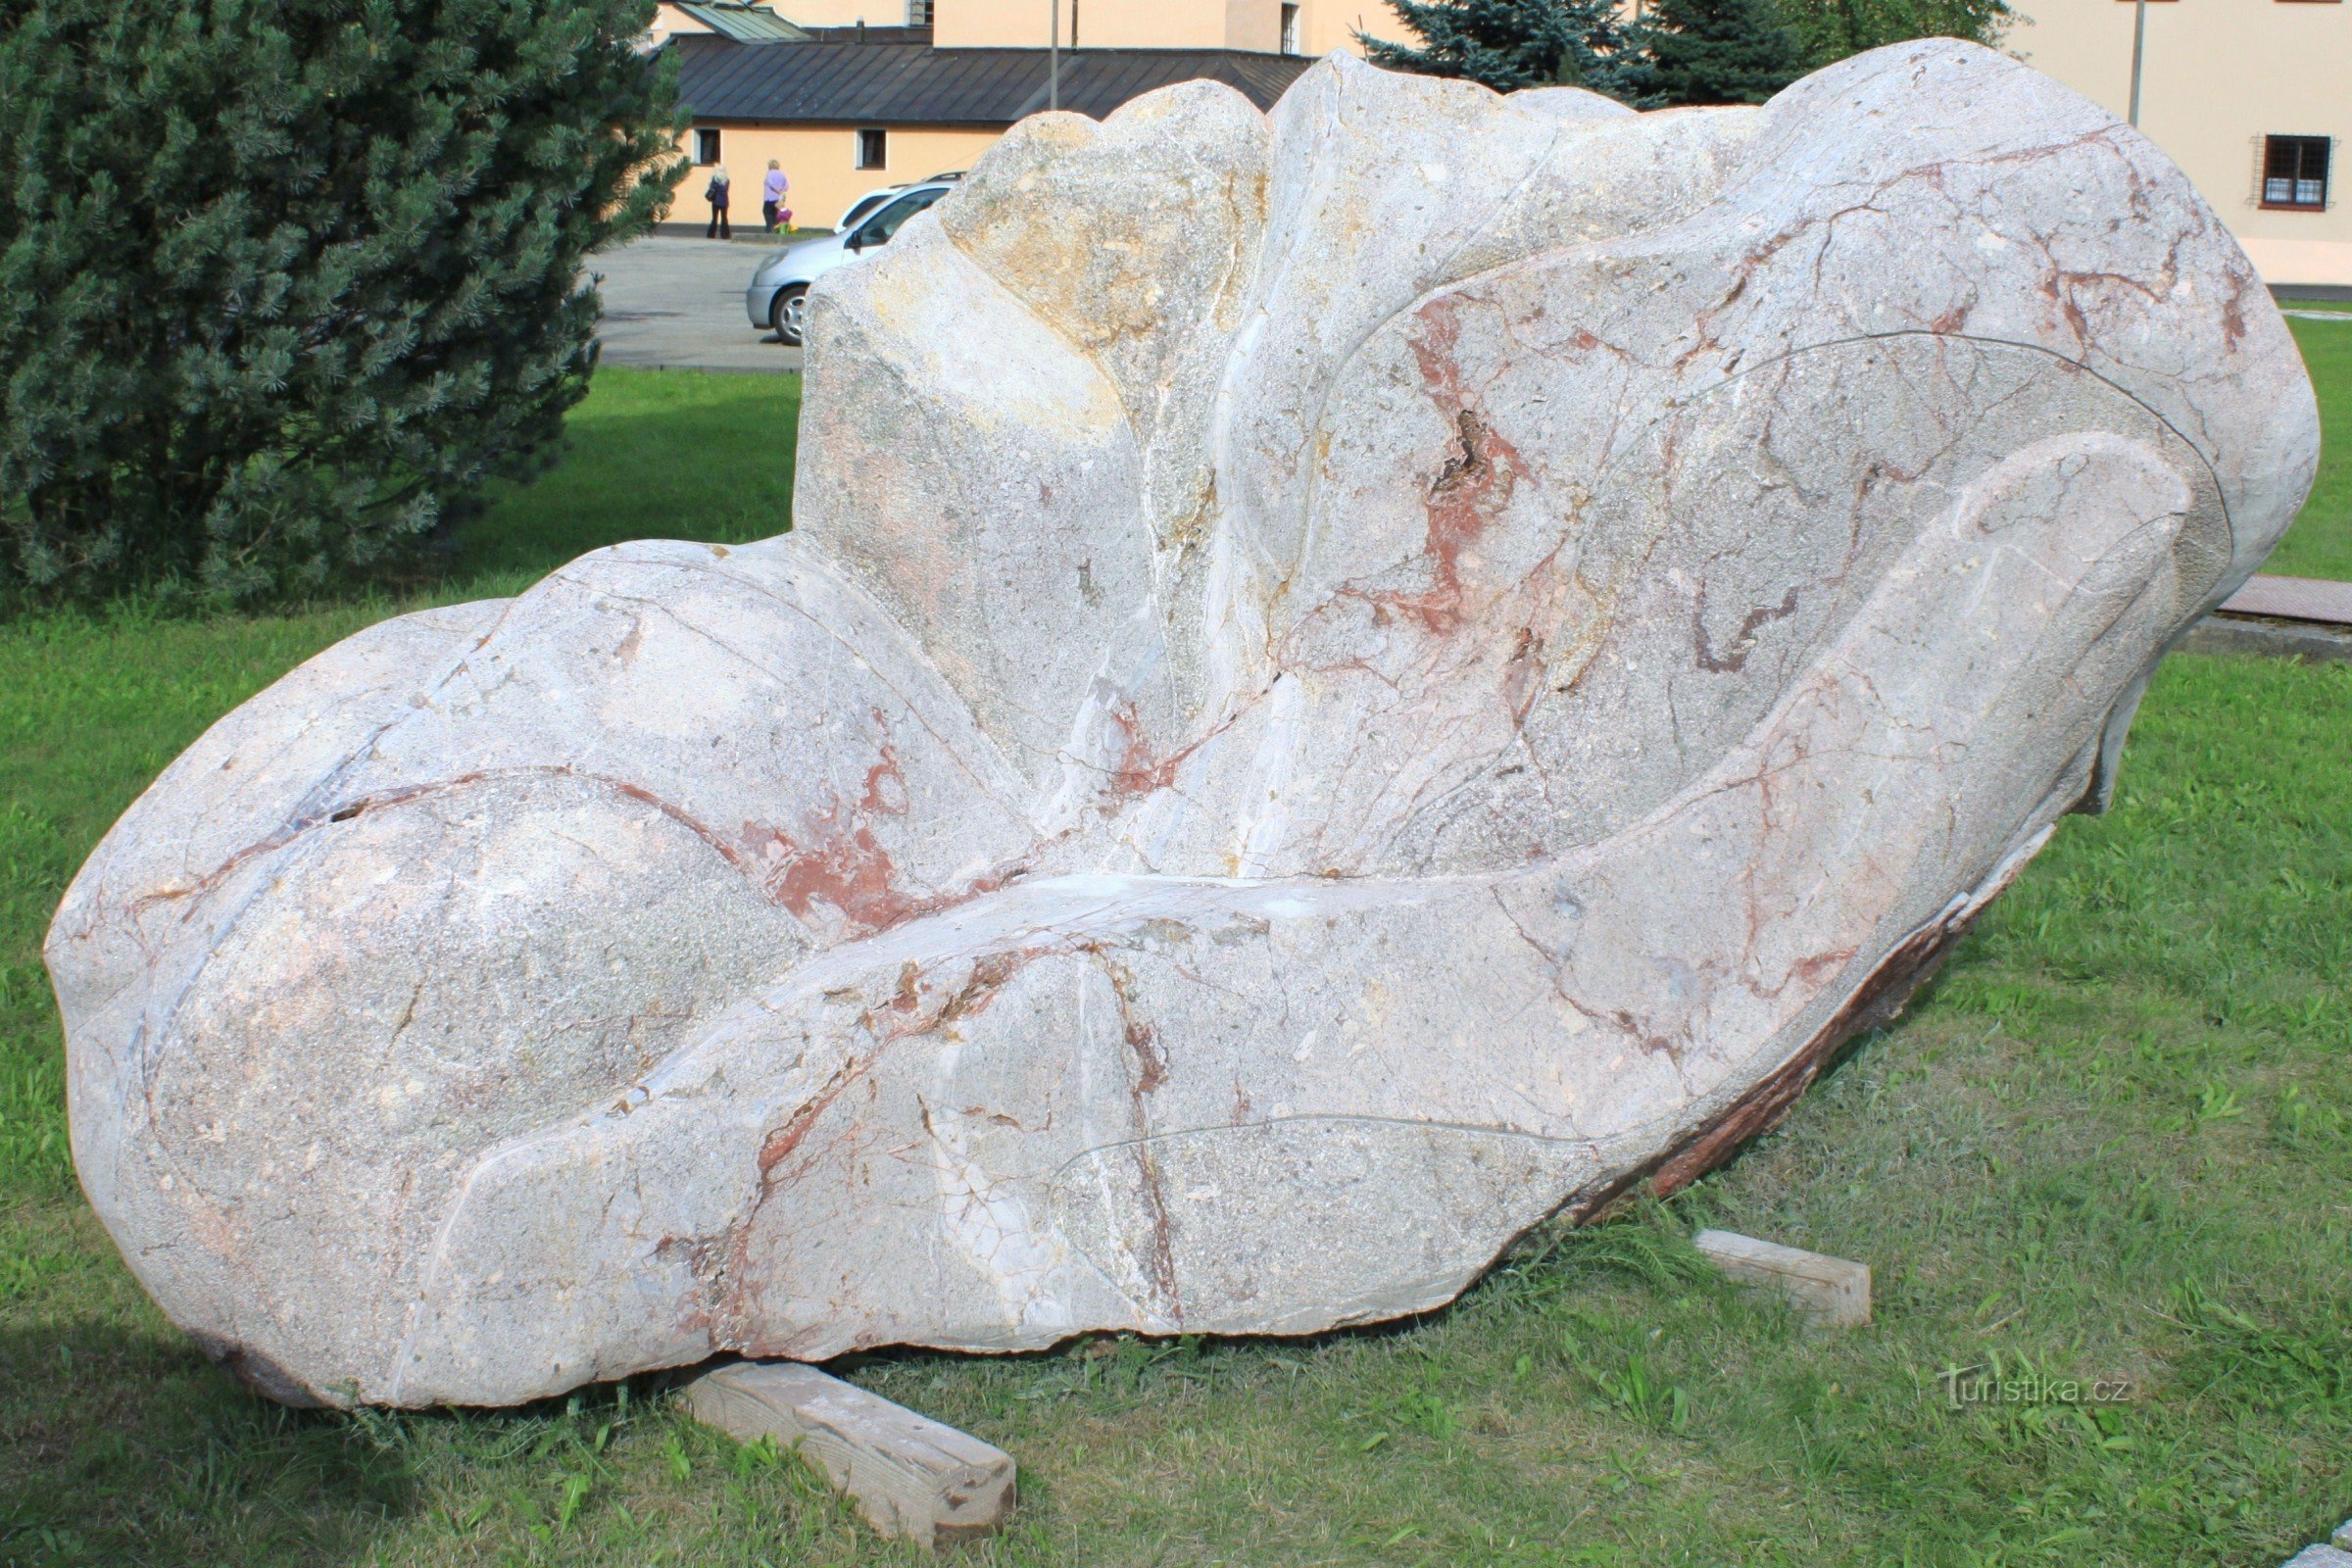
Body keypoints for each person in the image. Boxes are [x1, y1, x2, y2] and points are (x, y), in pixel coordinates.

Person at [761, 160, 790, 234]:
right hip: (779, 198)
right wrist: (782, 191)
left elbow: (770, 183)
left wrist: (777, 190)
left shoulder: (769, 174)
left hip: (769, 198)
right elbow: (787, 186)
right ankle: (777, 228)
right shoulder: (782, 174)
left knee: (767, 212)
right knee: (776, 213)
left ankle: (769, 229)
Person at [704, 166, 731, 240]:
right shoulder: (727, 180)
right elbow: (726, 190)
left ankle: (711, 234)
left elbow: (712, 187)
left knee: (714, 218)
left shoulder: (715, 179)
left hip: (716, 201)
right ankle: (725, 235)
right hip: (724, 201)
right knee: (724, 218)